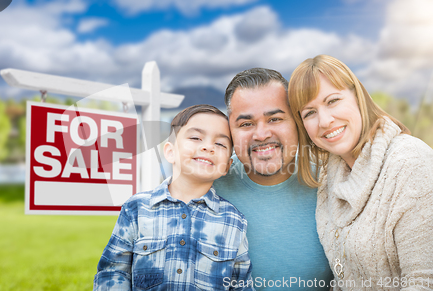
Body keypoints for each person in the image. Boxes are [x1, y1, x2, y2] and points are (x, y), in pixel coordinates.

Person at [288, 54, 433, 290]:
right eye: (309, 113)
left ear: (358, 96)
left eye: (332, 100)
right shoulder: (330, 175)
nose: (324, 121)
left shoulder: (410, 162)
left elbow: (425, 282)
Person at [94, 104, 255, 290]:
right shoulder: (137, 208)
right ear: (170, 151)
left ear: (227, 166)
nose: (208, 147)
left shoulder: (234, 221)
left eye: (220, 144)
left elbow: (241, 284)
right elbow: (113, 272)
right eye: (196, 137)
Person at [213, 68, 333, 290]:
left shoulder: (331, 183)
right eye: (246, 124)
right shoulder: (208, 189)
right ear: (230, 129)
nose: (261, 134)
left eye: (275, 119)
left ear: (297, 122)